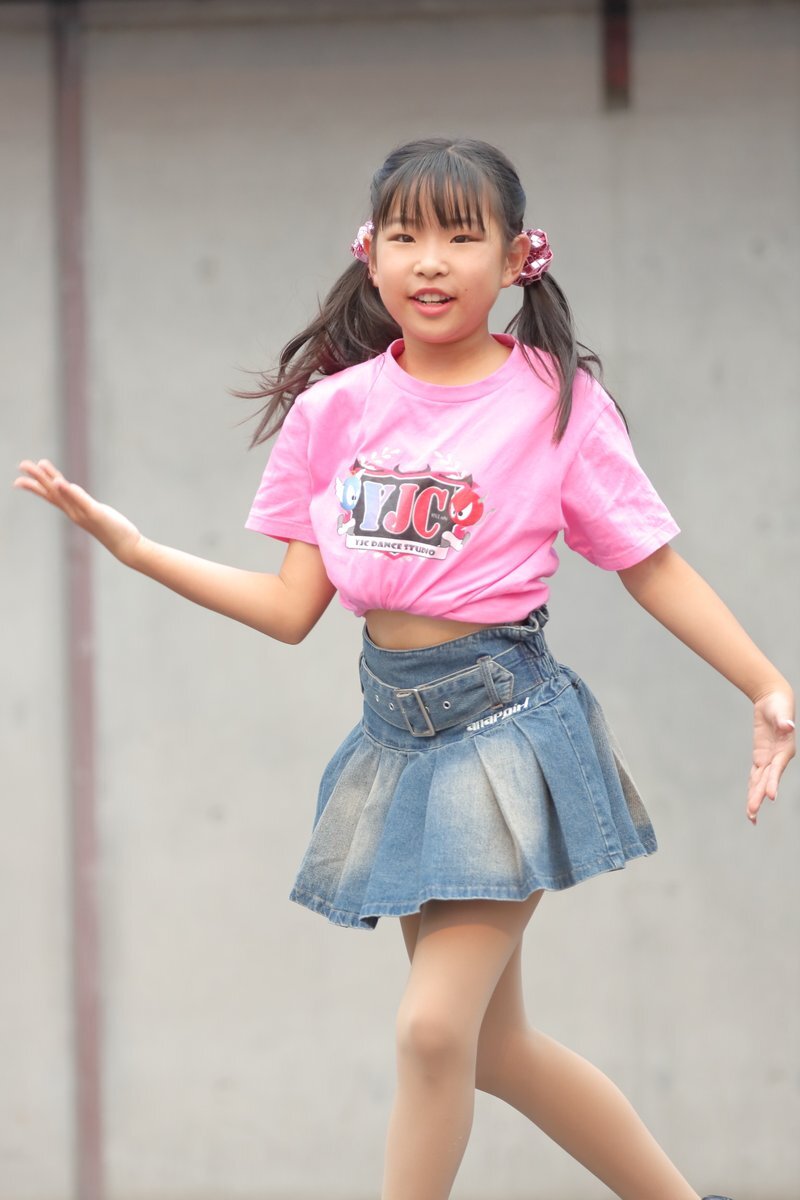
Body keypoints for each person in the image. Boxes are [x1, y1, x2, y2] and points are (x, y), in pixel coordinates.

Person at [15, 136, 794, 1200]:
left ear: (516, 258)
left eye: (460, 237)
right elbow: (291, 609)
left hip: (503, 728)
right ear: (370, 255)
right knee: (492, 1050)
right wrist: (138, 548)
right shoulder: (333, 412)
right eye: (405, 235)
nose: (430, 260)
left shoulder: (553, 402)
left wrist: (764, 683)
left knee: (432, 1032)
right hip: (396, 738)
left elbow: (649, 565)